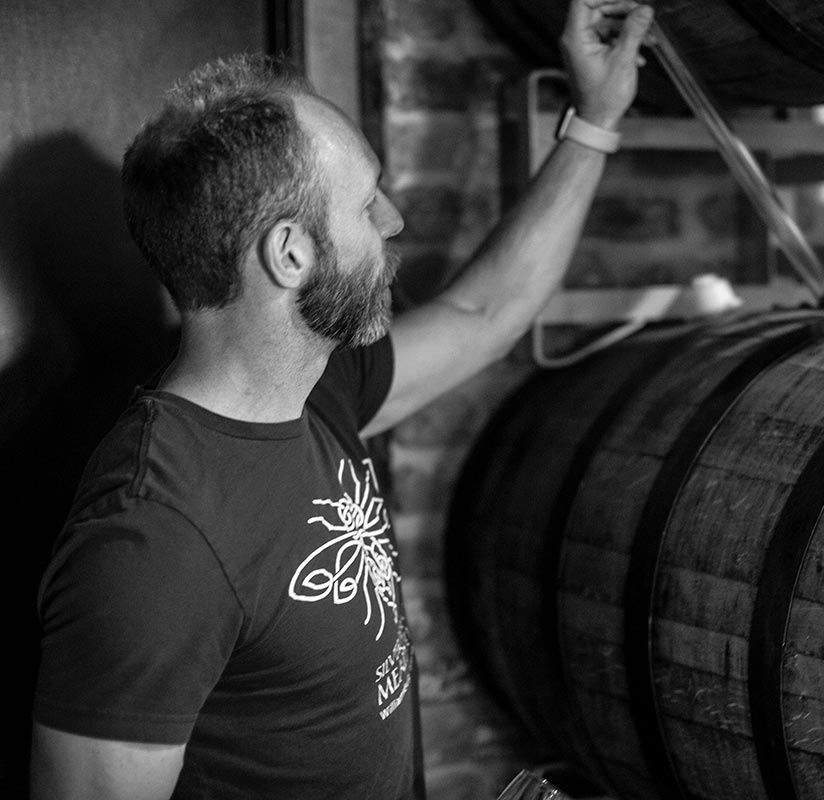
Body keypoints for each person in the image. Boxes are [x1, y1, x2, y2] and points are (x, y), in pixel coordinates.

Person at [29, 0, 653, 797]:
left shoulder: (315, 387)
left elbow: (483, 313)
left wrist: (595, 120)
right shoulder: (156, 538)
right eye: (366, 205)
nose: (395, 222)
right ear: (290, 253)